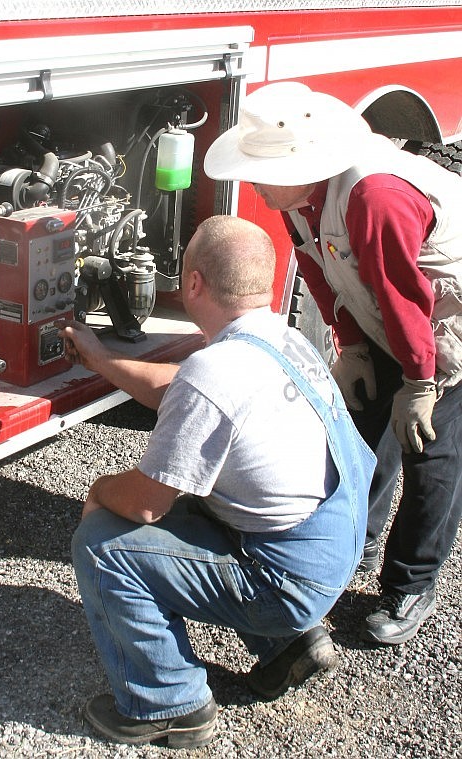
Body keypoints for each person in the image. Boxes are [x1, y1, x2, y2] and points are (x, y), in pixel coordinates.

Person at [58, 215, 375, 749]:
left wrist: (98, 491)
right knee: (208, 501)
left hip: (290, 580)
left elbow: (146, 506)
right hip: (329, 546)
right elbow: (179, 390)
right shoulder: (282, 340)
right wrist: (100, 358)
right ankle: (291, 647)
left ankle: (166, 705)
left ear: (195, 284)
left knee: (103, 545)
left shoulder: (215, 374)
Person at [204, 82, 462, 648]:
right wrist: (355, 347)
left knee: (431, 450)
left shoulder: (376, 198)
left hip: (447, 321)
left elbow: (403, 297)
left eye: (259, 168)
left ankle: (412, 582)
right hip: (400, 318)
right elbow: (320, 272)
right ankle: (356, 543)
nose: (251, 180)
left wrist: (420, 382)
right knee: (361, 434)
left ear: (305, 162)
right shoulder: (299, 197)